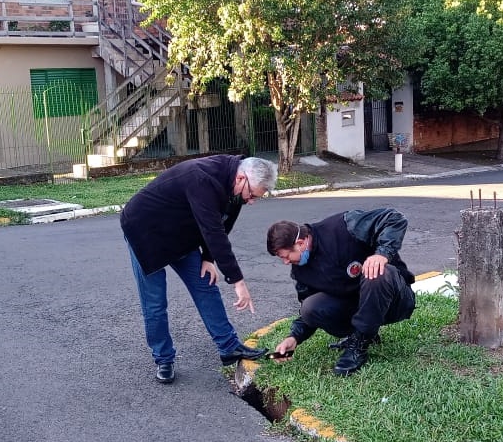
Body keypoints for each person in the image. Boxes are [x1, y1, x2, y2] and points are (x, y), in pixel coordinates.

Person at [121, 155, 277, 384]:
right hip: (146, 231)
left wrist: (208, 258)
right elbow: (213, 231)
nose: (251, 201)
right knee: (155, 303)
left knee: (205, 284)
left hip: (181, 232)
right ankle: (164, 359)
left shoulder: (235, 187)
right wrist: (238, 282)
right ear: (241, 178)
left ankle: (229, 347)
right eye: (252, 195)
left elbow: (223, 224)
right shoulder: (201, 178)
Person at [265, 208, 416, 376]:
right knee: (310, 307)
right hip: (357, 304)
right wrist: (294, 337)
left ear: (300, 243)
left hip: (395, 299)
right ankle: (360, 333)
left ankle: (360, 344)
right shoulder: (301, 271)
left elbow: (394, 218)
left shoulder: (344, 226)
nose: (286, 262)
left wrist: (382, 254)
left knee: (377, 273)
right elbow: (308, 313)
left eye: (286, 256)